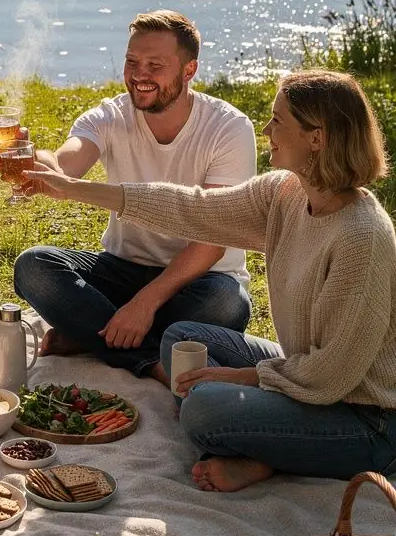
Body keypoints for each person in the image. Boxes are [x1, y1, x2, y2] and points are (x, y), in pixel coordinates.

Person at [24, 69, 396, 492]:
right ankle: (264, 438)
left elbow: (330, 377)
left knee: (204, 410)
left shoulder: (360, 238)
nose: (266, 128)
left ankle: (260, 451)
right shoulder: (287, 193)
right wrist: (74, 189)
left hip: (366, 419)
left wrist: (241, 379)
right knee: (184, 340)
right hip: (305, 373)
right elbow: (193, 209)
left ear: (317, 137)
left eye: (278, 120)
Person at [13, 11, 257, 381]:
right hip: (122, 269)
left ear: (189, 70)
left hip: (201, 278)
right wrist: (36, 158)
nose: (139, 75)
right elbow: (66, 165)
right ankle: (151, 357)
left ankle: (96, 332)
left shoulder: (229, 128)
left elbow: (211, 243)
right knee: (35, 267)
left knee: (226, 305)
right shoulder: (110, 115)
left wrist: (144, 304)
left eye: (154, 65)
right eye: (131, 62)